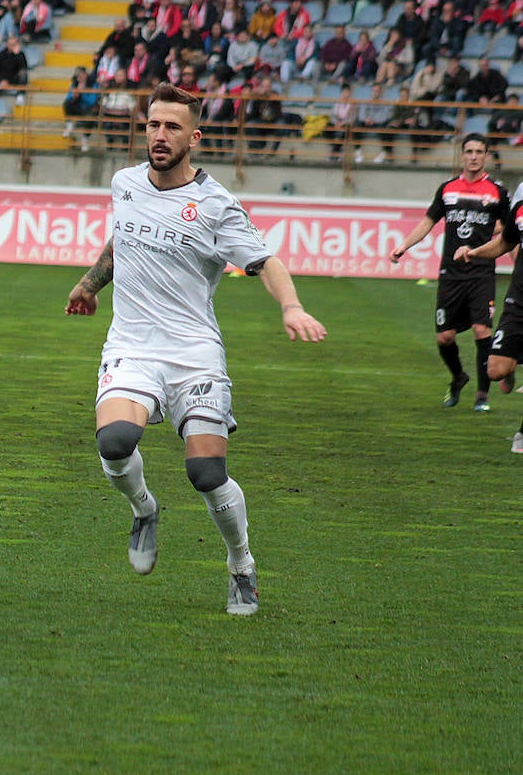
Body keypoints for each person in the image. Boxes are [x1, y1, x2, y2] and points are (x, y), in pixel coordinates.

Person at [66, 82, 327, 617]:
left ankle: (241, 564)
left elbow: (265, 261)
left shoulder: (215, 205)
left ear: (195, 136)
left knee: (205, 475)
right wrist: (90, 284)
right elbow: (123, 239)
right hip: (132, 345)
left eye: (172, 127)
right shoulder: (125, 183)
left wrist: (291, 306)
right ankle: (144, 510)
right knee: (114, 442)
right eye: (153, 125)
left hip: (194, 354)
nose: (159, 136)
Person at [390, 135, 508, 411]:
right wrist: (403, 246)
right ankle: (458, 378)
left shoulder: (497, 191)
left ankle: (482, 395)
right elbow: (428, 221)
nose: (474, 156)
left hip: (481, 271)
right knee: (445, 336)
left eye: (479, 151)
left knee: (482, 330)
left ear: (486, 156)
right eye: (469, 151)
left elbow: (505, 228)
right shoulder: (448, 190)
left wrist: (482, 238)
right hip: (451, 273)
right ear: (462, 155)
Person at [453, 177, 523, 452]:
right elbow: (506, 242)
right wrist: (475, 252)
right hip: (519, 298)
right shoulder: (520, 198)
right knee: (495, 370)